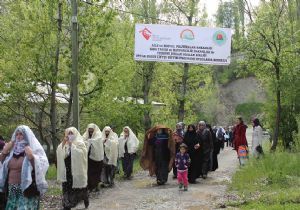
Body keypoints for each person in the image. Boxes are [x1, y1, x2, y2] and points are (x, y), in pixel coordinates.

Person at [0, 125, 49, 210]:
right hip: (12, 188)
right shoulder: (12, 150)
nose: (18, 137)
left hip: (26, 189)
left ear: (26, 135)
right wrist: (4, 152)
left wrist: (32, 157)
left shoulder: (33, 148)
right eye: (17, 134)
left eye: (21, 134)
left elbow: (42, 166)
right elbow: (2, 164)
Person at [57, 127, 89, 210]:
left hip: (76, 171)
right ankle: (66, 204)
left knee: (78, 188)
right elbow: (59, 152)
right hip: (67, 170)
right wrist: (64, 143)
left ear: (75, 134)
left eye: (71, 133)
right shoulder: (65, 143)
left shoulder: (80, 143)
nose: (70, 135)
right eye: (68, 133)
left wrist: (72, 146)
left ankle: (84, 198)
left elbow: (82, 154)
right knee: (66, 187)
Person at [82, 123, 103, 192]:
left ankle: (95, 185)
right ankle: (90, 186)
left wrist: (89, 141)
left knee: (96, 172)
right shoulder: (86, 134)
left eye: (92, 130)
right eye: (89, 129)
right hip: (88, 157)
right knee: (89, 172)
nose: (90, 131)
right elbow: (82, 141)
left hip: (97, 158)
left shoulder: (98, 134)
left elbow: (97, 141)